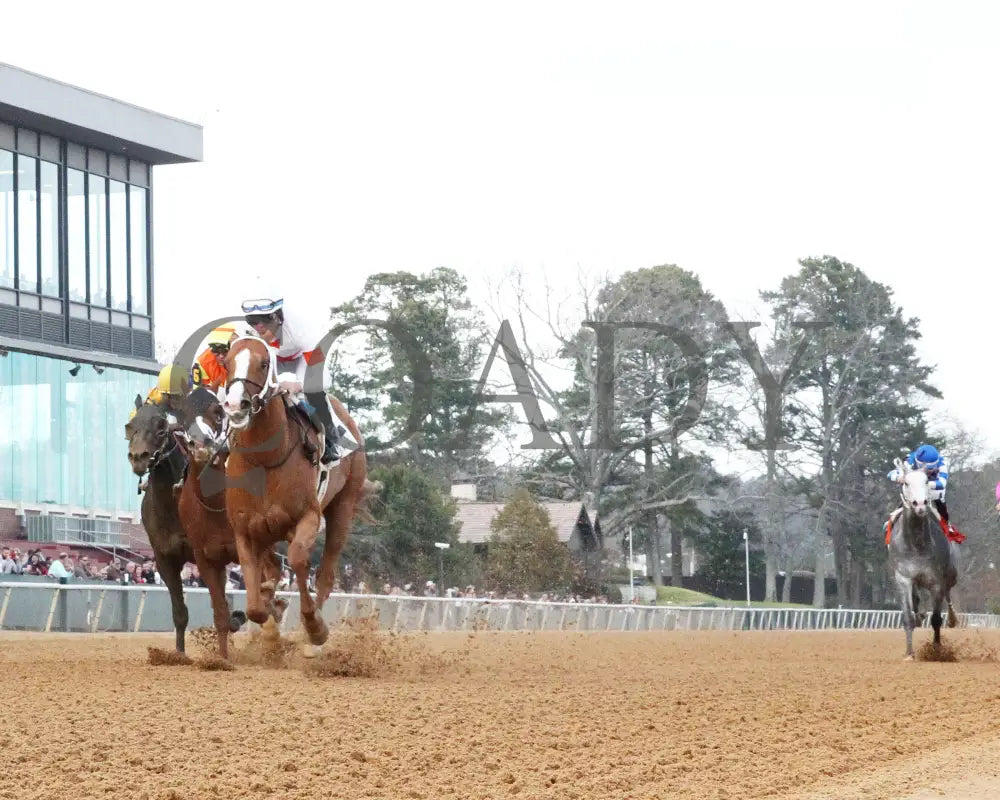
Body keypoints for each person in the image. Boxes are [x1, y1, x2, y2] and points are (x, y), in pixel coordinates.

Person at [239, 290, 357, 466]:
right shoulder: (246, 331)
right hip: (272, 358)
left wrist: (297, 385)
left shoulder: (303, 328)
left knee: (313, 392)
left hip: (304, 356)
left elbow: (319, 376)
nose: (259, 327)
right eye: (253, 321)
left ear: (278, 316)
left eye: (265, 320)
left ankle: (336, 441)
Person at [886, 443, 963, 541]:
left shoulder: (942, 463)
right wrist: (898, 477)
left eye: (932, 467)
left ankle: (949, 529)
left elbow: (942, 483)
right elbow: (890, 474)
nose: (930, 470)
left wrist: (924, 484)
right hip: (913, 494)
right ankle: (889, 531)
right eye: (929, 468)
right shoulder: (909, 461)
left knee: (942, 510)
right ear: (919, 463)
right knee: (897, 512)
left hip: (934, 493)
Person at [192, 324, 240, 392]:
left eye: (225, 351)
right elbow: (197, 393)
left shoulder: (243, 357)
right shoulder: (202, 362)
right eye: (215, 351)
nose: (221, 356)